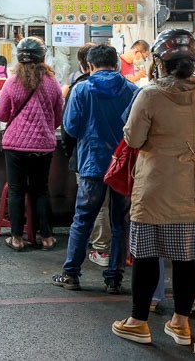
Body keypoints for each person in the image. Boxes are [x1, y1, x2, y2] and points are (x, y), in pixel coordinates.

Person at [111, 28, 195, 347]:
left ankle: (137, 322)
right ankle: (181, 324)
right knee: (187, 259)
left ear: (160, 62)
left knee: (147, 257)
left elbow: (133, 139)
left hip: (158, 191)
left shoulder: (149, 95)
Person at [52, 44, 138, 294]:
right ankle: (114, 277)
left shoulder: (82, 89)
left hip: (92, 165)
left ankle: (71, 274)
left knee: (83, 220)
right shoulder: (133, 90)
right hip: (122, 166)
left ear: (89, 66)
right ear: (117, 64)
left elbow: (70, 126)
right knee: (121, 221)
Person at [0, 36, 64, 252]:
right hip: (43, 146)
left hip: (15, 146)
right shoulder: (53, 83)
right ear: (43, 57)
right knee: (41, 190)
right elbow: (58, 117)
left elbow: (1, 114)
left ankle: (16, 238)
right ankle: (47, 237)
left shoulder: (12, 81)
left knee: (16, 190)